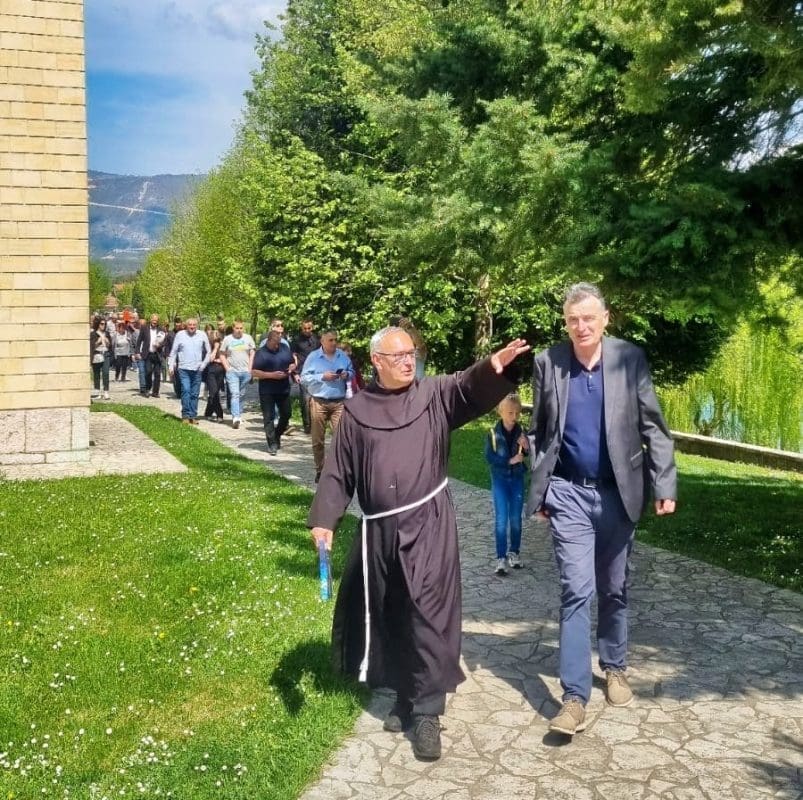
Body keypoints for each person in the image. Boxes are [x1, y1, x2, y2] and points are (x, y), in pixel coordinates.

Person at [309, 326, 529, 761]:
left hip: (428, 522)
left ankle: (428, 711)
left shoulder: (435, 395)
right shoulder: (356, 411)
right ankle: (405, 695)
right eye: (398, 356)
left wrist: (494, 367)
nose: (409, 360)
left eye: (412, 353)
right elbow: (339, 470)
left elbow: (468, 387)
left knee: (428, 612)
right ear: (377, 361)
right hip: (379, 529)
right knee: (392, 611)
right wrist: (325, 519)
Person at [526, 282, 677, 737]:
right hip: (568, 493)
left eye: (589, 318)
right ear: (565, 322)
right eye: (573, 320)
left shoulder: (629, 359)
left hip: (618, 493)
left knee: (614, 588)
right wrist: (542, 490)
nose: (581, 327)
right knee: (576, 590)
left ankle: (614, 666)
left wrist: (664, 483)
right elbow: (538, 431)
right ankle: (574, 697)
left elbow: (654, 428)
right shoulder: (548, 362)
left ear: (605, 318)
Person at [484, 392, 529, 576]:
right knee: (501, 519)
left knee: (516, 519)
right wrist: (509, 461)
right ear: (500, 412)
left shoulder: (522, 431)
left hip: (517, 479)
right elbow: (490, 457)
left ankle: (514, 553)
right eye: (510, 412)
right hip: (500, 480)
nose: (514, 416)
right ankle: (501, 557)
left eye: (517, 413)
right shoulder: (493, 434)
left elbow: (525, 452)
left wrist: (526, 447)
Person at [300, 330, 354, 482]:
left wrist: (346, 374)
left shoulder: (342, 356)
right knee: (318, 439)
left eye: (335, 340)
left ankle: (339, 470)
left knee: (341, 438)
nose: (334, 343)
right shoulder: (313, 357)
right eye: (330, 340)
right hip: (319, 401)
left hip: (339, 402)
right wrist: (322, 376)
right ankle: (320, 470)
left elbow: (352, 371)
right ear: (322, 341)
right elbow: (304, 378)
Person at [251, 330, 296, 455]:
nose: (277, 345)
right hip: (267, 390)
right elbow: (254, 372)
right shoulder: (261, 353)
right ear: (269, 340)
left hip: (283, 388)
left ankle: (277, 434)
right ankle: (272, 444)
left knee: (287, 414)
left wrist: (292, 367)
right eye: (275, 343)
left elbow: (292, 362)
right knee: (268, 417)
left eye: (278, 343)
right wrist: (271, 375)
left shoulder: (284, 348)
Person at [167, 318, 211, 424]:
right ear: (186, 325)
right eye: (190, 325)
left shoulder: (202, 335)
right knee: (186, 391)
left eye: (194, 325)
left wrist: (203, 365)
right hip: (184, 369)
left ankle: (193, 415)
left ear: (197, 325)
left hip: (197, 369)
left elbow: (209, 351)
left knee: (195, 393)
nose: (192, 327)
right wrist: (171, 366)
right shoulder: (180, 335)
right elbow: (173, 351)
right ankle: (185, 415)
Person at [220, 319, 256, 429]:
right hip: (233, 372)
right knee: (235, 394)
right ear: (233, 328)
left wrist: (250, 368)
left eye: (241, 328)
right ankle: (235, 417)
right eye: (237, 328)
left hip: (245, 371)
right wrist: (227, 368)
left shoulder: (248, 338)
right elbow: (222, 354)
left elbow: (252, 352)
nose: (239, 330)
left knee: (241, 394)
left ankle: (239, 415)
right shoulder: (227, 339)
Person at [290, 318, 320, 434]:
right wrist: (295, 373)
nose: (307, 330)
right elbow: (293, 357)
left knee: (316, 400)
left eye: (309, 328)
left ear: (312, 328)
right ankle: (307, 425)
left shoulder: (317, 339)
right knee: (305, 400)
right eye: (305, 328)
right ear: (301, 328)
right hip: (303, 372)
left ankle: (316, 423)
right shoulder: (297, 340)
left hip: (317, 373)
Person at [136, 313, 165, 398]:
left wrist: (160, 345)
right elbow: (139, 340)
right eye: (153, 320)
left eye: (156, 320)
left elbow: (164, 341)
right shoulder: (144, 328)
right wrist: (137, 352)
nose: (154, 322)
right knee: (148, 372)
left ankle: (155, 392)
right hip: (148, 354)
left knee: (157, 374)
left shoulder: (161, 329)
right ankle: (148, 389)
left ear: (158, 321)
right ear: (150, 319)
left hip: (157, 354)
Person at [203, 330, 226, 422]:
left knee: (215, 393)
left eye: (218, 339)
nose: (217, 341)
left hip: (221, 371)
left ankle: (208, 412)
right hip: (210, 370)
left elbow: (226, 358)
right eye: (215, 339)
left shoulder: (223, 346)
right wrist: (215, 348)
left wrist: (221, 360)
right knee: (214, 392)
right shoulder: (208, 347)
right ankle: (220, 414)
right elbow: (210, 359)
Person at [89, 318, 112, 399]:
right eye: (102, 324)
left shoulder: (107, 333)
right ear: (98, 324)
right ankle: (97, 391)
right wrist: (98, 341)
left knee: (106, 373)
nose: (103, 325)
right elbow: (91, 346)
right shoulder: (93, 334)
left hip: (105, 354)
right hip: (97, 354)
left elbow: (110, 346)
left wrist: (107, 341)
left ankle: (106, 391)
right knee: (96, 374)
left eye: (105, 324)